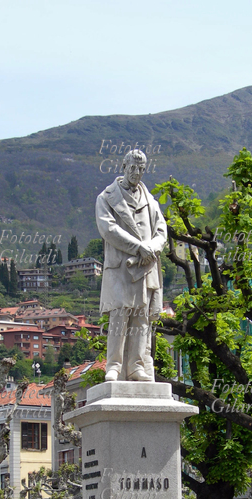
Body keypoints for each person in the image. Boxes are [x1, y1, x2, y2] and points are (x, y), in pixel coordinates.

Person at [95, 149, 167, 381]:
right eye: (133, 168)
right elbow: (109, 230)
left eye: (141, 169)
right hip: (121, 267)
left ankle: (136, 366)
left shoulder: (151, 202)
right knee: (119, 314)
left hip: (145, 266)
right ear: (123, 166)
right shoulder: (106, 198)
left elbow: (161, 231)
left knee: (141, 317)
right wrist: (138, 247)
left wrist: (152, 248)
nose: (137, 173)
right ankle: (114, 365)